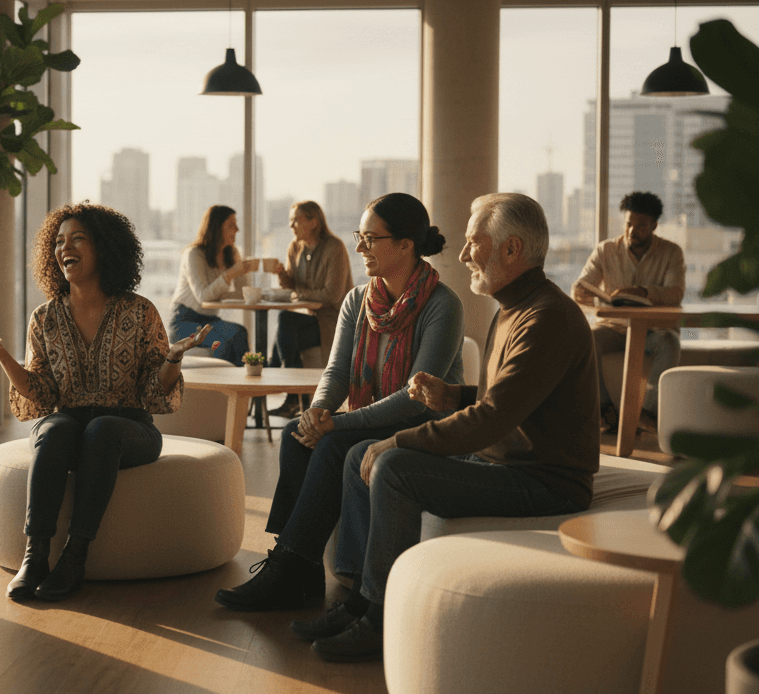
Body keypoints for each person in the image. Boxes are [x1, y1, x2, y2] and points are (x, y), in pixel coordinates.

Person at [298, 193, 598, 664]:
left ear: (512, 250)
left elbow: (492, 421)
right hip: (507, 460)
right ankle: (360, 599)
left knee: (392, 464)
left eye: (473, 243)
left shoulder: (546, 318)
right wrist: (454, 395)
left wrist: (396, 439)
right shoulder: (514, 307)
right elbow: (512, 400)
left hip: (545, 480)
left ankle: (381, 620)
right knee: (359, 454)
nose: (461, 255)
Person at [214, 192, 464, 613]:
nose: (360, 247)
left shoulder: (443, 306)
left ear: (405, 245)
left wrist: (338, 425)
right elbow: (337, 373)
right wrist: (318, 411)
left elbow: (415, 400)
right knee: (297, 434)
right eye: (358, 236)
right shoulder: (358, 300)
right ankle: (299, 569)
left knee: (331, 444)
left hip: (420, 425)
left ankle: (289, 568)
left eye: (371, 238)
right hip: (375, 418)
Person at [0, 203, 206, 602]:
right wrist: (6, 358)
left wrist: (173, 359)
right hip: (68, 423)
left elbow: (153, 393)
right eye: (58, 241)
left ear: (104, 249)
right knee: (55, 428)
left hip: (130, 428)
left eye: (77, 239)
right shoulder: (45, 318)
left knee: (102, 428)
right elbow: (41, 395)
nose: (65, 248)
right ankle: (35, 556)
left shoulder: (140, 312)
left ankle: (75, 556)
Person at [572, 191, 685, 432]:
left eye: (641, 226)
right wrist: (581, 291)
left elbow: (675, 294)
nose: (633, 231)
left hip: (654, 331)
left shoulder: (671, 252)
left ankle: (647, 413)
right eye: (628, 224)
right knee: (585, 341)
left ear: (654, 225)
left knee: (670, 344)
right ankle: (605, 412)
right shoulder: (605, 250)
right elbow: (584, 284)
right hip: (614, 328)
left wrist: (644, 292)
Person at [268, 200, 354, 418]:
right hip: (307, 318)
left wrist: (299, 294)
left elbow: (332, 295)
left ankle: (286, 389)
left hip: (331, 320)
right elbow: (292, 286)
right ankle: (295, 397)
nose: (291, 226)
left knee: (286, 324)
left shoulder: (335, 248)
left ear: (314, 222)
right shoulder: (295, 247)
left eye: (296, 220)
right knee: (286, 327)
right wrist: (282, 275)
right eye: (290, 221)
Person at [168, 204, 264, 366]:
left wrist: (241, 270)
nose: (237, 230)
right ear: (216, 228)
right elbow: (204, 296)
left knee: (239, 332)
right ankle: (225, 388)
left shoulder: (231, 254)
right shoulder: (194, 255)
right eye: (231, 225)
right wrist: (232, 273)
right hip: (183, 322)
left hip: (209, 320)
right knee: (225, 340)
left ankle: (247, 388)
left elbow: (242, 294)